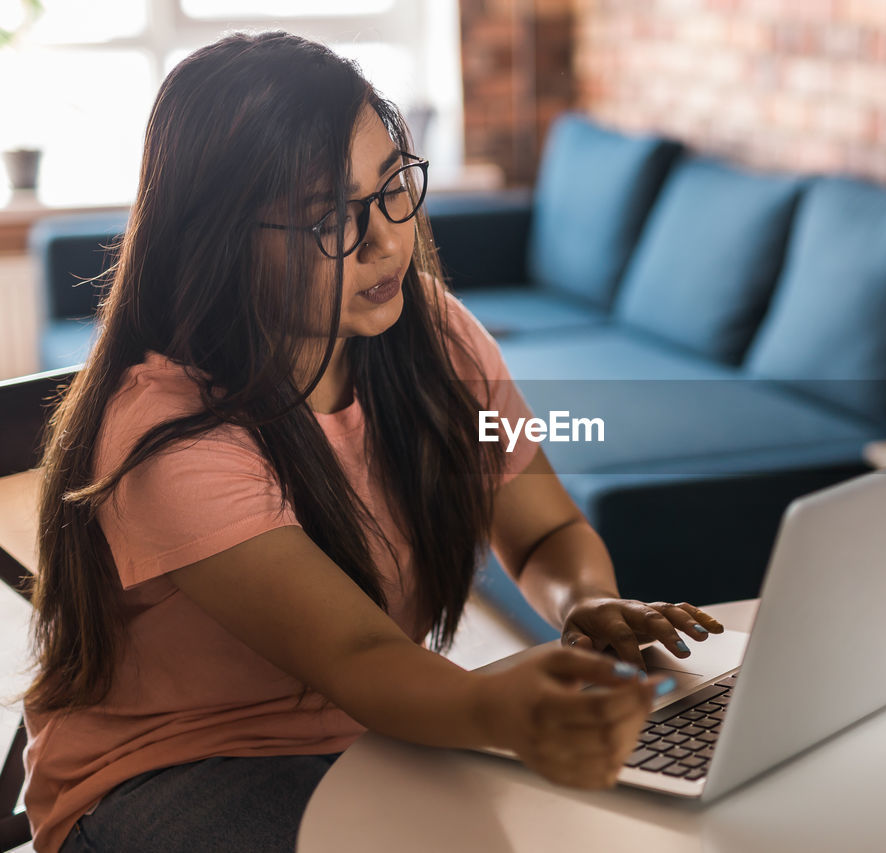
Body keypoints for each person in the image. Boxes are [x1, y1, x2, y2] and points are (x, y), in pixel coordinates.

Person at [21, 31, 723, 853]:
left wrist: (587, 603)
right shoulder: (170, 437)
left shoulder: (436, 336)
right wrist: (499, 710)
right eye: (329, 219)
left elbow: (544, 530)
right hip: (177, 767)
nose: (386, 238)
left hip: (368, 730)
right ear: (216, 236)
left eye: (394, 186)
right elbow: (356, 653)